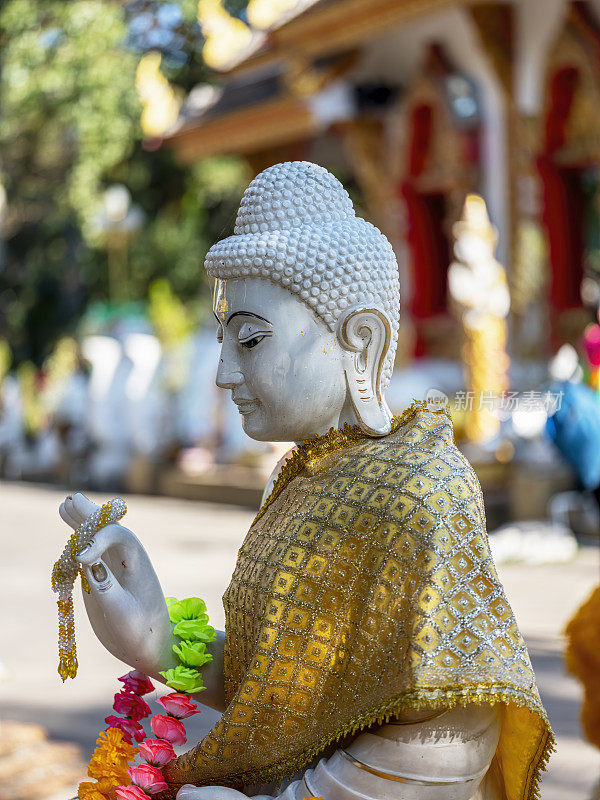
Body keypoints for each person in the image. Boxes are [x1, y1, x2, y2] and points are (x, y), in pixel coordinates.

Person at [59, 162, 552, 800]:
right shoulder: (304, 480)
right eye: (223, 341)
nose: (223, 376)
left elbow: (452, 737)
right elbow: (285, 684)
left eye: (252, 341)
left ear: (359, 339)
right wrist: (157, 637)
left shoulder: (419, 487)